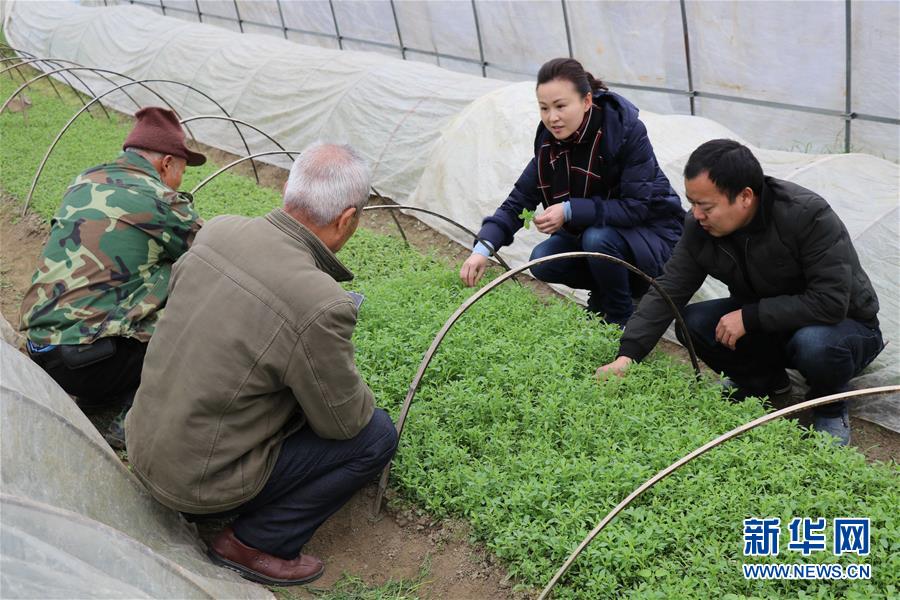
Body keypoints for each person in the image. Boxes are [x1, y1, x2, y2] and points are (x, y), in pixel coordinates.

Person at [124, 142, 399, 586]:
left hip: (144, 442)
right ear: (348, 219)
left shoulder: (217, 230)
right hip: (195, 484)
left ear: (290, 192)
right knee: (375, 436)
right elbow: (343, 423)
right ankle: (256, 542)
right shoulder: (320, 301)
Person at [597, 139, 883, 445]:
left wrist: (750, 316)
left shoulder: (806, 215)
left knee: (815, 344)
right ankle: (763, 383)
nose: (696, 215)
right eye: (692, 203)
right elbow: (671, 287)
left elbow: (830, 302)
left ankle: (828, 407)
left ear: (745, 196)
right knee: (693, 323)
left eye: (706, 206)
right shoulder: (700, 227)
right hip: (773, 324)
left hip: (844, 328)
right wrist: (628, 354)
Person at [18, 106, 205, 448]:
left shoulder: (85, 180)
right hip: (89, 362)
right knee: (195, 284)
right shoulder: (159, 198)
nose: (181, 179)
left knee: (130, 276)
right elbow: (215, 256)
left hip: (40, 350)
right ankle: (130, 417)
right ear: (166, 164)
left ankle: (100, 401)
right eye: (181, 169)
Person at [459, 57, 685, 326]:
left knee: (597, 239)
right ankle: (606, 290)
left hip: (654, 234)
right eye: (544, 108)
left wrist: (569, 210)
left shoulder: (623, 133)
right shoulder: (551, 148)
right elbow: (517, 203)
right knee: (542, 260)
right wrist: (483, 248)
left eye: (560, 106)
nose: (552, 118)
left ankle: (621, 317)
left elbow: (635, 206)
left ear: (587, 101)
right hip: (606, 234)